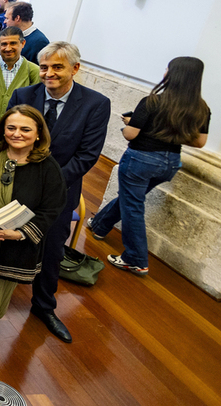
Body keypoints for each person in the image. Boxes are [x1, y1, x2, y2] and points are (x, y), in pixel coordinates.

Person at [1, 42, 110, 342]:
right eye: (45, 67)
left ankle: (44, 306)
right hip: (18, 186)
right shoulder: (24, 95)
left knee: (50, 251)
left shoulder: (95, 104)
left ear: (75, 68)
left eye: (57, 67)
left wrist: (48, 185)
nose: (49, 73)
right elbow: (10, 135)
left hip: (60, 192)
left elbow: (87, 156)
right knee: (7, 242)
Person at [89, 57, 210, 276]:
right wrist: (174, 134)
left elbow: (131, 134)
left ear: (173, 74)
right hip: (171, 163)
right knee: (130, 198)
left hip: (141, 159)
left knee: (133, 205)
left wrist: (129, 123)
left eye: (167, 68)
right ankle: (99, 225)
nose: (164, 71)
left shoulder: (152, 102)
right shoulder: (201, 109)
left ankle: (135, 259)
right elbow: (199, 142)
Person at [0, 105, 66, 340]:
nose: (17, 133)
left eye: (25, 129)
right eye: (11, 127)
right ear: (2, 129)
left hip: (18, 242)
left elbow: (52, 209)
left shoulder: (48, 168)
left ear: (38, 134)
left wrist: (18, 234)